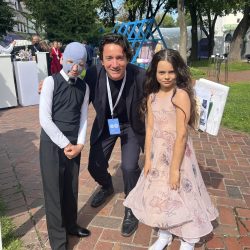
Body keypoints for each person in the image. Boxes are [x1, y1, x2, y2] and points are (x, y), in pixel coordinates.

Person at [124, 49, 218, 250]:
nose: (167, 77)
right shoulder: (152, 96)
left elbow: (182, 134)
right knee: (162, 194)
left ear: (178, 72)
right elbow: (149, 129)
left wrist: (175, 169)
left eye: (171, 72)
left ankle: (188, 238)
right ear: (154, 73)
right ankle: (165, 233)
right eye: (162, 72)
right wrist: (148, 158)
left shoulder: (180, 95)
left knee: (182, 193)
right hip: (158, 154)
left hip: (178, 154)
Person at [84, 34, 146, 237]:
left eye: (120, 58)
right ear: (101, 60)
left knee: (129, 167)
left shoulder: (139, 75)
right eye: (109, 58)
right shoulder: (93, 74)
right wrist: (52, 86)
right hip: (106, 124)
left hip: (130, 126)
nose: (115, 64)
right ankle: (106, 185)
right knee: (94, 165)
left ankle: (131, 206)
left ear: (127, 58)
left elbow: (163, 90)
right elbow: (76, 93)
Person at [39, 42, 90, 250]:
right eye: (71, 62)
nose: (75, 68)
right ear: (62, 59)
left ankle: (71, 224)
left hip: (73, 147)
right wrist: (65, 143)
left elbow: (84, 118)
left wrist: (80, 144)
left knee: (71, 187)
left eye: (80, 63)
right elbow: (44, 118)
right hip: (52, 144)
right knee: (54, 192)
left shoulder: (84, 87)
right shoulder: (51, 82)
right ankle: (59, 241)